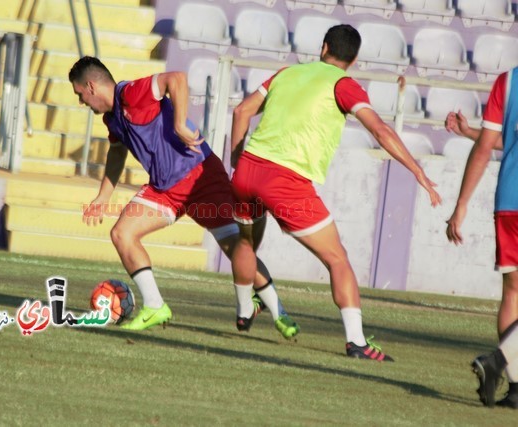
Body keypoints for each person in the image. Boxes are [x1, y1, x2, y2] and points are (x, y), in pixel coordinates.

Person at [229, 24, 441, 361]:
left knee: (245, 241)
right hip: (286, 181)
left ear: (323, 46)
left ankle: (243, 311)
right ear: (353, 58)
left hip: (248, 169)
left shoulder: (287, 73)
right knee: (337, 258)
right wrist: (418, 171)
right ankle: (356, 341)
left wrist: (237, 164)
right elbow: (380, 129)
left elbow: (241, 112)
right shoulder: (344, 85)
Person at [68, 57, 299, 338]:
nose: (82, 102)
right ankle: (154, 306)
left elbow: (176, 78)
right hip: (166, 189)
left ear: (91, 86)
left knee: (235, 248)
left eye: (80, 95)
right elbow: (117, 151)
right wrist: (104, 195)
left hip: (200, 175)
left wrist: (178, 123)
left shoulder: (130, 93)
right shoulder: (112, 118)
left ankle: (280, 314)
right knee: (122, 233)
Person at [445, 67, 518, 409]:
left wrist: (461, 205)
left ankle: (516, 391)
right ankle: (497, 361)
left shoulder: (509, 80)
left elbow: (491, 144)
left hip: (508, 202)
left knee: (513, 293)